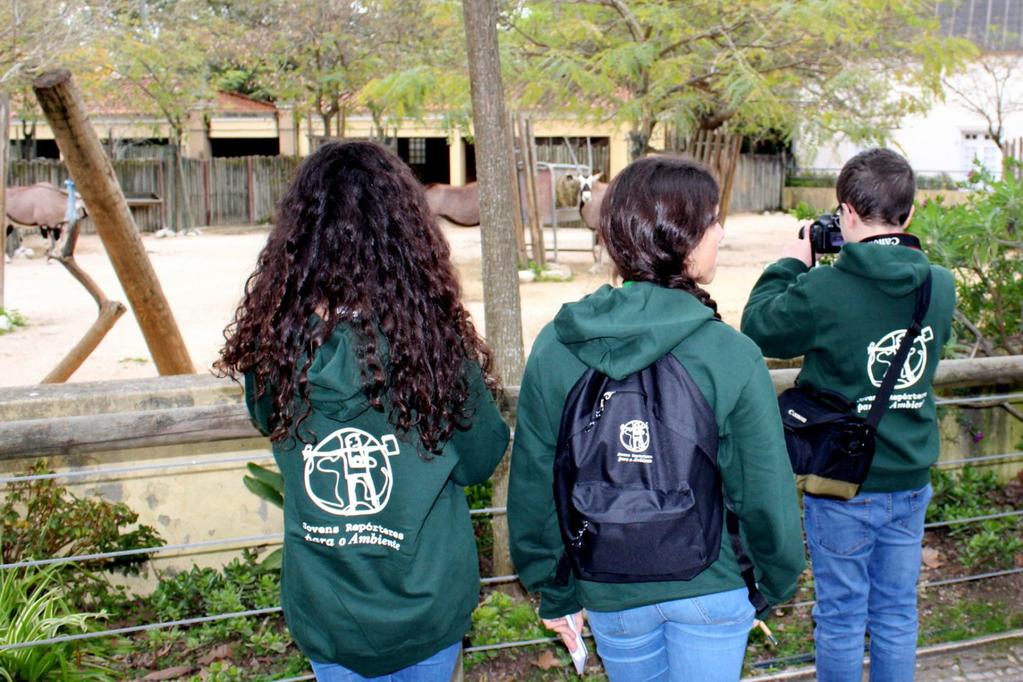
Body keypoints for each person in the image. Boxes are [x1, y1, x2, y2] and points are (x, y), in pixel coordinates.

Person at [216, 141, 510, 681]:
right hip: (426, 604)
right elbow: (479, 459)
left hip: (330, 613)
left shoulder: (272, 351)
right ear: (408, 236)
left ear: (296, 239)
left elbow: (267, 420)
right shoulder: (436, 348)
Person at [508, 155, 805, 682]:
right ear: (682, 237)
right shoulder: (729, 354)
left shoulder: (557, 346)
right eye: (713, 221)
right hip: (709, 586)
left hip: (607, 587)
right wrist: (774, 581)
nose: (721, 232)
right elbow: (764, 491)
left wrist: (553, 586)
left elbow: (535, 479)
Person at [741, 148, 956, 681]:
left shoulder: (824, 289)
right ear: (908, 214)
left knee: (840, 617)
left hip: (842, 486)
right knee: (896, 612)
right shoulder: (941, 286)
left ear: (846, 213)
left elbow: (758, 326)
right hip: (909, 479)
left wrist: (792, 262)